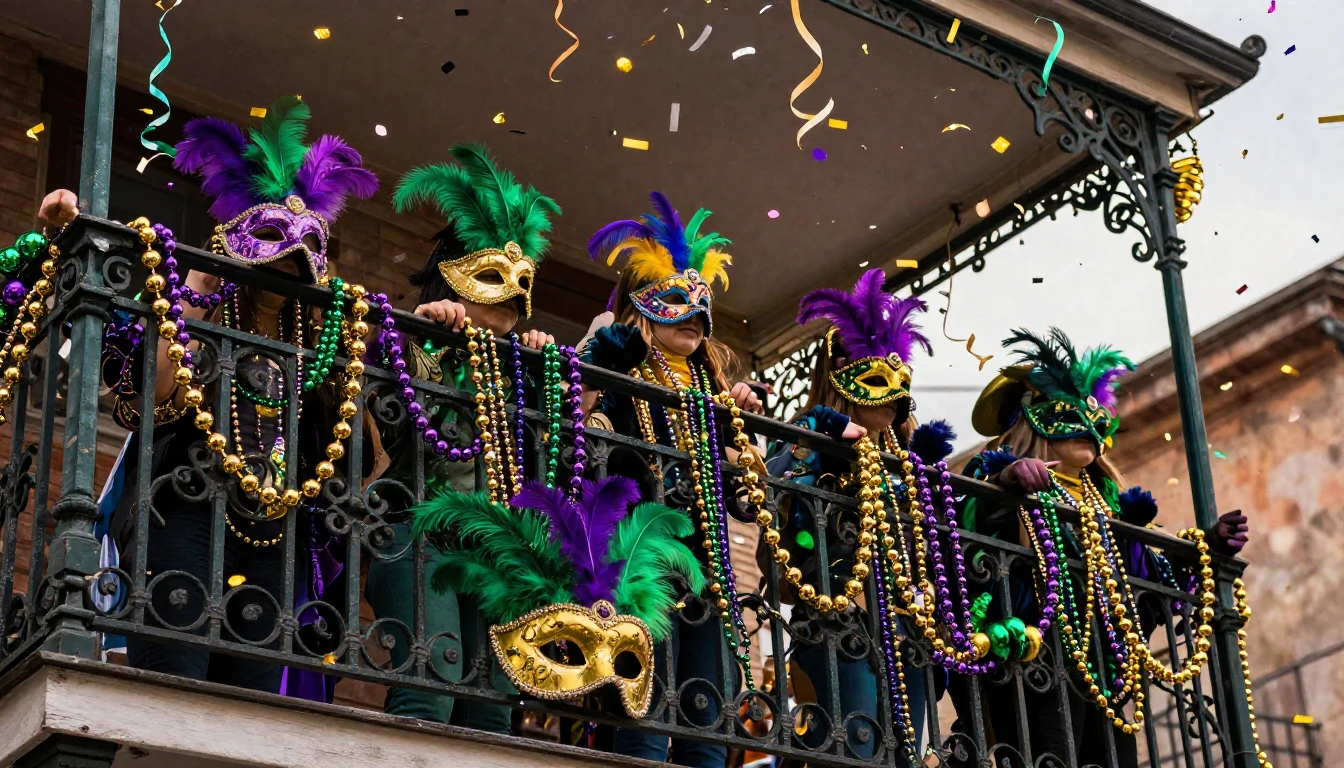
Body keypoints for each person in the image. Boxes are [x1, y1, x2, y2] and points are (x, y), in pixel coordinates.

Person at [71, 95, 380, 695]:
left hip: (271, 533)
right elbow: (153, 397)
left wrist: (346, 352)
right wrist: (196, 283)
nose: (288, 258)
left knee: (251, 699)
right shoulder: (201, 317)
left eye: (304, 252)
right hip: (183, 512)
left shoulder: (312, 350)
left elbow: (365, 459)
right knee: (177, 685)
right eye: (270, 237)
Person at [950, 327, 1250, 767]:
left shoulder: (1107, 501)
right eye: (1067, 415)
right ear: (1030, 421)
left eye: (1095, 421)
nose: (1087, 428)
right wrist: (1009, 485)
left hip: (1102, 666)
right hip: (1035, 654)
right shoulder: (995, 474)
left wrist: (1206, 545)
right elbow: (972, 530)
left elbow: (1148, 575)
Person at [363, 143, 559, 732]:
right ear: (454, 277)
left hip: (496, 548)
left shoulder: (516, 372)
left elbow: (558, 460)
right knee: (433, 686)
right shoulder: (412, 342)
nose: (512, 293)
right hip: (420, 526)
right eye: (491, 273)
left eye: (522, 278)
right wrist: (426, 338)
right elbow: (387, 409)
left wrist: (546, 370)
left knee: (494, 707)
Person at [581, 192, 759, 767]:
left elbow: (744, 502)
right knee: (647, 704)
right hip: (640, 555)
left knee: (707, 712)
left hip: (705, 563)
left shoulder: (713, 398)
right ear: (645, 309)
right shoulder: (619, 368)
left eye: (698, 304)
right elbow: (580, 445)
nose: (690, 315)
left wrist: (740, 441)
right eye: (674, 300)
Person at [763, 269, 950, 764]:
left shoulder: (910, 462)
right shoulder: (809, 435)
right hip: (836, 617)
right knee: (859, 749)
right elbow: (772, 502)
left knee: (906, 756)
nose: (891, 394)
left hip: (909, 625)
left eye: (900, 382)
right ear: (841, 374)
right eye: (875, 380)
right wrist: (821, 444)